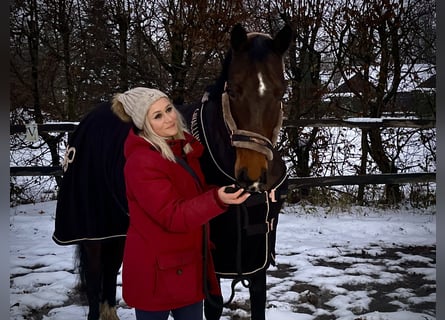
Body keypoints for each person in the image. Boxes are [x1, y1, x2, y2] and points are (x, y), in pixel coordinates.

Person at [111, 87, 250, 320]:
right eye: (157, 116)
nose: (169, 118)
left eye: (168, 109)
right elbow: (172, 215)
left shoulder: (179, 149)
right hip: (155, 273)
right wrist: (216, 200)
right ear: (144, 125)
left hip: (187, 265)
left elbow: (191, 196)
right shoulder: (142, 162)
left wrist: (222, 192)